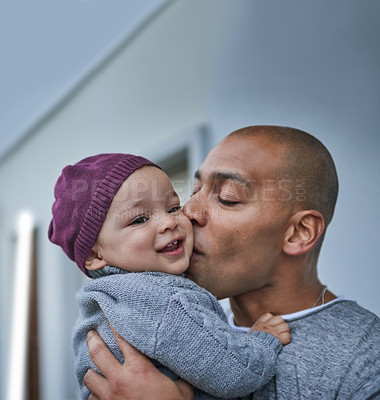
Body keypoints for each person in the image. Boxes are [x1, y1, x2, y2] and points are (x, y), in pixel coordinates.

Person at [83, 126, 380, 400]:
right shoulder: (173, 330)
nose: (187, 212)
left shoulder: (365, 358)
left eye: (227, 198)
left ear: (298, 233)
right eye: (194, 192)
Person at [48, 153, 291, 400]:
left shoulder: (108, 300)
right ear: (94, 255)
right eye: (139, 219)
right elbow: (238, 373)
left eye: (173, 207)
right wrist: (263, 339)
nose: (168, 222)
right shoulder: (161, 299)